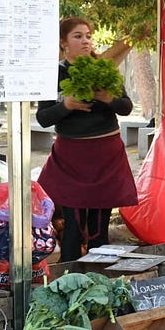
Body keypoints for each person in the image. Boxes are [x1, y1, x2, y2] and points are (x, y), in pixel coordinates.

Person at [36, 17, 137, 262]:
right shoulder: (54, 74)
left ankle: (101, 279)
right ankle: (70, 277)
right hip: (71, 158)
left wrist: (106, 99)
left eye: (88, 36)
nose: (85, 41)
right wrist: (67, 105)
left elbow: (125, 107)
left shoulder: (104, 68)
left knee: (99, 226)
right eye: (78, 36)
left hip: (106, 155)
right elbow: (43, 117)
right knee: (72, 224)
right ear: (63, 43)